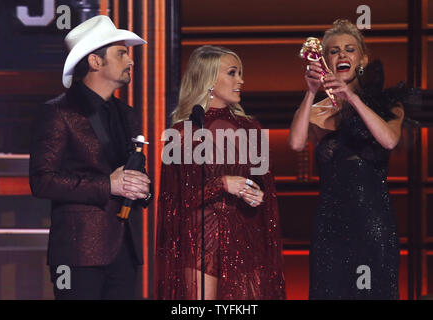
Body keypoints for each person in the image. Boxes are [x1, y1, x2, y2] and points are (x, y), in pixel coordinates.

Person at [29, 15, 151, 300]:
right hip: (77, 253)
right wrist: (108, 185)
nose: (130, 61)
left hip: (125, 250)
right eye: (121, 54)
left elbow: (133, 174)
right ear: (96, 62)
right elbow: (42, 180)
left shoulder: (127, 113)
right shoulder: (58, 112)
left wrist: (143, 188)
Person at [156, 45, 286, 299]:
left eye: (240, 73)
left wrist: (255, 192)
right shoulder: (184, 133)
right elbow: (177, 199)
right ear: (209, 79)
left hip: (246, 234)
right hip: (202, 237)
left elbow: (262, 183)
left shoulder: (251, 128)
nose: (241, 80)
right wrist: (223, 183)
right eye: (232, 73)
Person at [288, 19, 404, 299]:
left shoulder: (388, 104)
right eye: (334, 51)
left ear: (362, 59)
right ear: (325, 60)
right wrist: (310, 92)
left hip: (374, 223)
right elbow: (294, 142)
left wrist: (352, 99)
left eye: (349, 49)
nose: (342, 55)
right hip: (330, 226)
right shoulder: (317, 111)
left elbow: (389, 140)